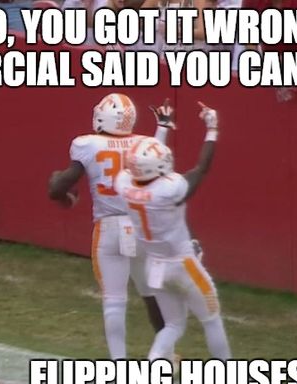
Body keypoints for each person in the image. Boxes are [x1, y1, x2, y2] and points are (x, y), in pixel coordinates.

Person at [47, 93, 176, 360]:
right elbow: (153, 159)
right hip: (142, 228)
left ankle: (119, 363)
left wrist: (61, 191)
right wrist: (162, 128)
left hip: (108, 228)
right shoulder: (144, 143)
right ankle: (166, 357)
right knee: (152, 293)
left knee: (114, 302)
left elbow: (59, 187)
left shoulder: (88, 145)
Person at [114, 103, 231, 362]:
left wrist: (163, 129)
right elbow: (201, 169)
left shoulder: (123, 183)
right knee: (211, 319)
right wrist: (211, 129)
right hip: (182, 263)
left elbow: (146, 166)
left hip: (154, 266)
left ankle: (154, 369)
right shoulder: (169, 190)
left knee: (173, 326)